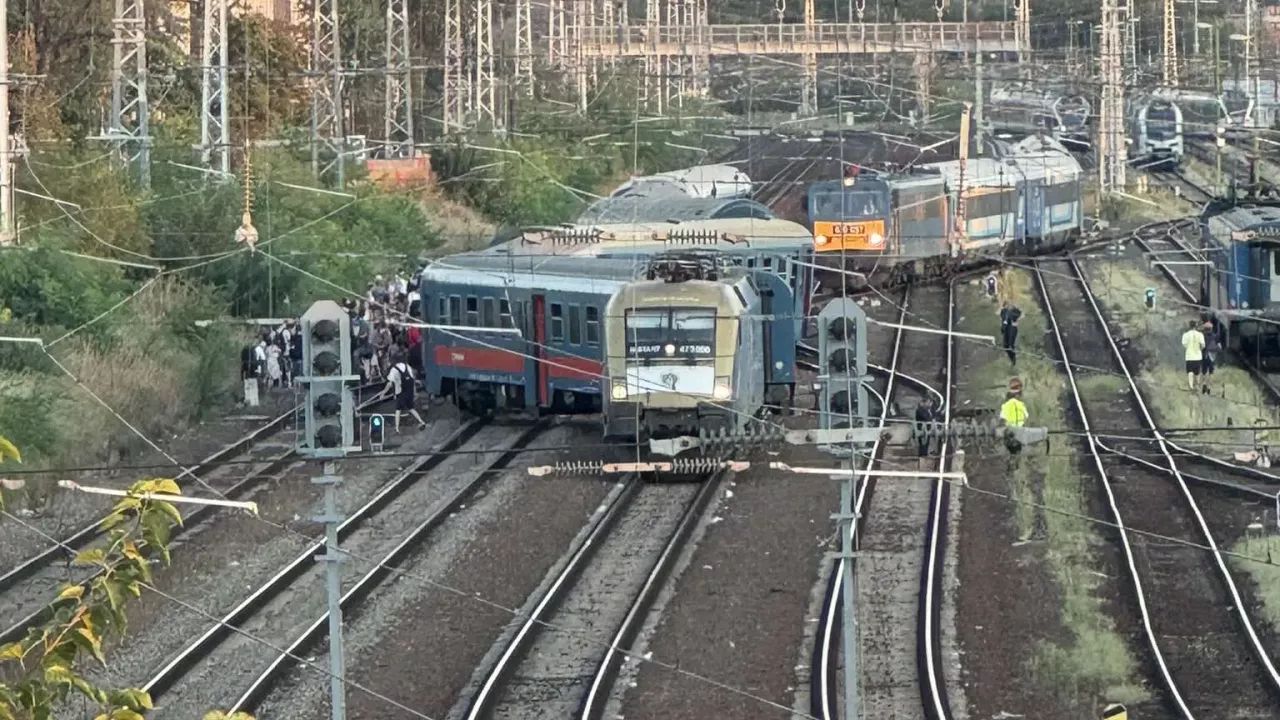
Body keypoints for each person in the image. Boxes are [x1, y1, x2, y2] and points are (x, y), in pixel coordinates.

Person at [379, 358, 427, 432]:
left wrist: (383, 393)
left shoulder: (393, 369)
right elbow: (412, 378)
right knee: (411, 408)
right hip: (409, 390)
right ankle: (421, 421)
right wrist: (414, 390)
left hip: (401, 391)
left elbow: (389, 384)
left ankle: (397, 428)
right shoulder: (407, 366)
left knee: (398, 410)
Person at [1181, 319, 1205, 391]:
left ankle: (1191, 386)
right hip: (1198, 356)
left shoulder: (1186, 335)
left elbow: (1184, 344)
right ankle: (1197, 384)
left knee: (1190, 371)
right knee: (1197, 372)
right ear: (1196, 326)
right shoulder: (1200, 334)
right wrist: (1200, 349)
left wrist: (1188, 347)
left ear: (1189, 326)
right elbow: (1203, 345)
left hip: (1189, 356)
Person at [999, 300, 1022, 366]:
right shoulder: (1004, 312)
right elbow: (1004, 321)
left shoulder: (1012, 312)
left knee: (1010, 345)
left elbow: (1015, 317)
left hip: (1012, 328)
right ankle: (1012, 359)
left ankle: (1013, 359)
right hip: (1007, 328)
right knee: (1006, 345)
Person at [1200, 320, 1219, 395]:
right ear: (1211, 329)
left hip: (1204, 356)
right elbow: (1218, 346)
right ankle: (1209, 388)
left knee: (1204, 371)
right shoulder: (1215, 336)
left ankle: (1204, 384)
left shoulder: (1202, 336)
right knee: (1211, 373)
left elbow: (1201, 346)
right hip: (1212, 356)